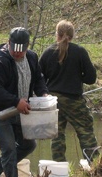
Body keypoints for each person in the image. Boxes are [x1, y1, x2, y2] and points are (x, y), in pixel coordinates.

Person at [0, 27, 49, 177]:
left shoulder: (32, 57)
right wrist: (15, 101)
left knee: (29, 144)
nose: (17, 54)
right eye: (14, 50)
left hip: (19, 108)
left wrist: (43, 93)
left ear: (27, 47)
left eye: (22, 51)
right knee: (9, 146)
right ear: (8, 43)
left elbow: (39, 79)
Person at [38, 20, 98, 162]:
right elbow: (91, 78)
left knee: (57, 135)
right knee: (85, 131)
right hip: (74, 101)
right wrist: (79, 76)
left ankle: (59, 166)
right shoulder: (80, 52)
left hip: (53, 101)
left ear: (57, 34)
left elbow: (39, 78)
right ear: (72, 35)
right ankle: (94, 164)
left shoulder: (48, 53)